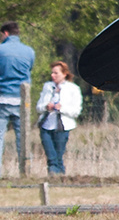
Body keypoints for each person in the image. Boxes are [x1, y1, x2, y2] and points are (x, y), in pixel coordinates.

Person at [0, 22, 34, 176]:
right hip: (22, 100)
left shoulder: (1, 50)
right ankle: (26, 171)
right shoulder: (29, 51)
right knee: (23, 138)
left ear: (5, 33)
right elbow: (29, 70)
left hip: (2, 97)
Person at [36, 61, 80, 176]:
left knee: (58, 156)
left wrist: (61, 108)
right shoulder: (47, 86)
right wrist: (47, 106)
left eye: (56, 73)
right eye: (52, 73)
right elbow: (39, 107)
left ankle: (60, 178)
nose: (53, 75)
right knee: (51, 157)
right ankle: (52, 176)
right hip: (47, 125)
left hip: (63, 126)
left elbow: (76, 111)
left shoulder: (73, 89)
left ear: (64, 74)